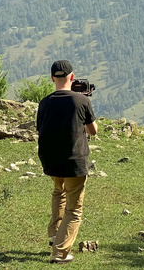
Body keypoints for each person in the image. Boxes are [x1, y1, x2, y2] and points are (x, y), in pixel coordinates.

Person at [37, 60, 98, 264]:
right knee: (74, 208)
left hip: (51, 160)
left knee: (58, 192)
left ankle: (55, 235)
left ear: (53, 78)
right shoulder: (81, 101)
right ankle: (60, 252)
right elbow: (93, 130)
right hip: (74, 161)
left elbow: (41, 129)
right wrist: (85, 101)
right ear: (72, 77)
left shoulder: (45, 102)